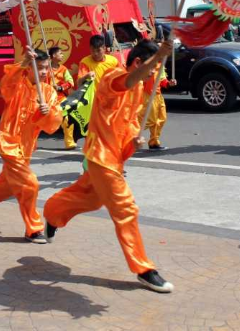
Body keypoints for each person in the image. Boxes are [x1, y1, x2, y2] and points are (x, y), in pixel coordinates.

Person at [43, 39, 176, 293]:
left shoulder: (138, 91)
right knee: (126, 209)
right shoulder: (114, 78)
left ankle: (52, 212)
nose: (152, 76)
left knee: (92, 200)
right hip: (101, 157)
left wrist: (133, 142)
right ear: (138, 63)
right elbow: (127, 81)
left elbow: (124, 126)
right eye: (150, 69)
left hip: (112, 158)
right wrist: (159, 54)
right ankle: (143, 268)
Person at [0, 49, 62, 243]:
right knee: (29, 184)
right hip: (9, 142)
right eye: (39, 68)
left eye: (46, 68)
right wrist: (23, 63)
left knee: (8, 185)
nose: (43, 72)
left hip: (26, 146)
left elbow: (53, 123)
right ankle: (33, 228)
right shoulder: (17, 84)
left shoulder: (47, 91)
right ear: (30, 68)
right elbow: (5, 85)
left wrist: (47, 112)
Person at [138, 63, 176, 150]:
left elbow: (162, 81)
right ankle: (129, 136)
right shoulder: (147, 62)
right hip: (148, 95)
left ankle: (154, 142)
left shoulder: (161, 64)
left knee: (162, 118)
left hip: (158, 95)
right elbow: (140, 79)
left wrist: (169, 83)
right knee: (149, 121)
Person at [49, 46, 76, 150]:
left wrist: (60, 87)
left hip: (60, 98)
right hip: (47, 98)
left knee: (67, 119)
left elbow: (71, 82)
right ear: (53, 56)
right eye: (60, 53)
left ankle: (69, 143)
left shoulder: (63, 69)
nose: (62, 55)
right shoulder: (45, 68)